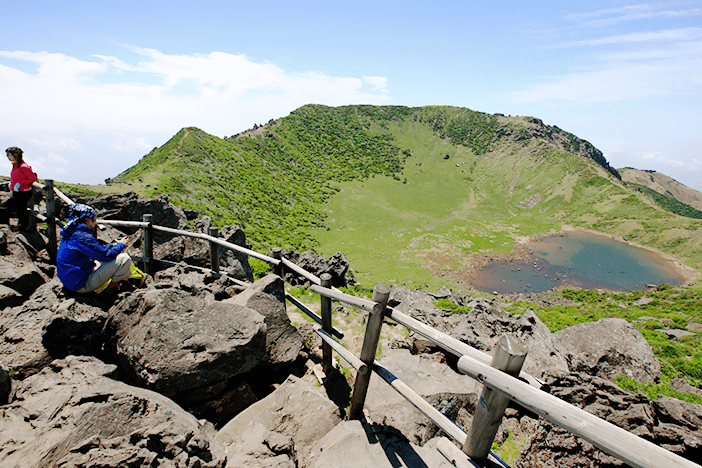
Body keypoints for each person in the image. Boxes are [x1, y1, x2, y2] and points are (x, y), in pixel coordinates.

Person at [56, 203, 133, 293]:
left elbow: (96, 250)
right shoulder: (83, 237)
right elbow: (106, 256)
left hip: (70, 281)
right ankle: (111, 289)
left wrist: (113, 245)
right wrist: (121, 245)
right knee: (124, 259)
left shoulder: (73, 232)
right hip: (80, 285)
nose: (96, 221)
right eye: (95, 219)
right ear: (89, 221)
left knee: (98, 260)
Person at [0, 147, 38, 232]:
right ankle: (21, 228)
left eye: (9, 154)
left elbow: (32, 178)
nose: (7, 157)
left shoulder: (23, 166)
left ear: (15, 155)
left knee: (5, 207)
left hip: (23, 193)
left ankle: (8, 228)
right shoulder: (15, 165)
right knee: (21, 210)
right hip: (17, 192)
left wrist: (20, 184)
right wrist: (12, 183)